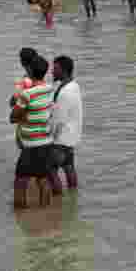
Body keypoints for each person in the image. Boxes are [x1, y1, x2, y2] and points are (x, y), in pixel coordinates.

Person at [9, 54, 55, 209]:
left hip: (30, 144)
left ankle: (20, 215)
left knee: (20, 180)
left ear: (28, 69)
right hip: (47, 142)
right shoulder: (50, 89)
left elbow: (13, 117)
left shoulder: (26, 94)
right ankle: (45, 211)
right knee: (42, 178)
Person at [47, 55, 82, 194]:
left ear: (64, 70)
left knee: (50, 170)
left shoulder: (64, 92)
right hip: (71, 139)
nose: (52, 72)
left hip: (60, 140)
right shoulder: (74, 86)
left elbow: (58, 120)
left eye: (55, 69)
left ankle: (58, 201)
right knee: (69, 167)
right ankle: (73, 198)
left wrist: (50, 139)